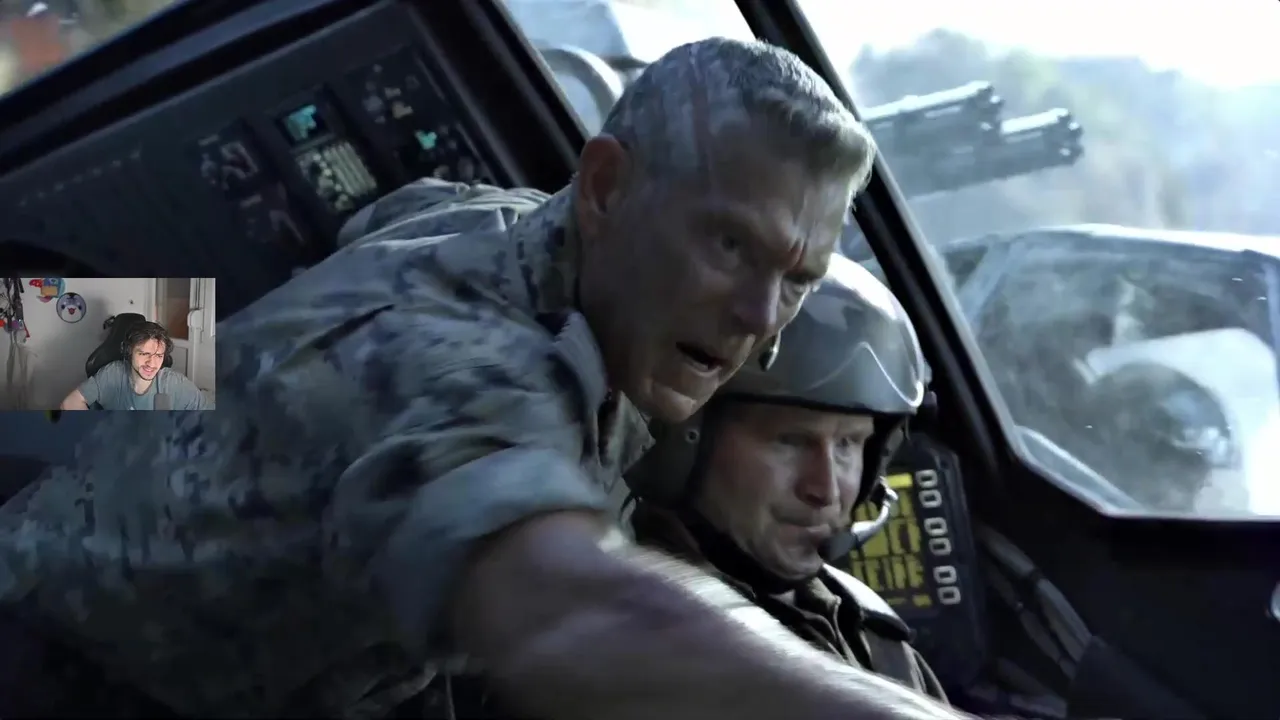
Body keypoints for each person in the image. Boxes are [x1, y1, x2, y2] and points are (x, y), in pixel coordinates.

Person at [0, 38, 963, 720]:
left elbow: (324, 286)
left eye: (796, 277)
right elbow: (573, 618)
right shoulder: (460, 363)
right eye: (728, 244)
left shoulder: (488, 222)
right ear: (605, 188)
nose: (759, 317)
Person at [624, 252, 948, 701]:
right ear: (682, 441)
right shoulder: (642, 647)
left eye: (849, 444)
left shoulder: (863, 627)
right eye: (791, 441)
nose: (825, 489)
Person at [58, 321, 213, 411]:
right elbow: (70, 403)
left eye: (159, 356)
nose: (152, 364)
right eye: (144, 354)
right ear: (129, 351)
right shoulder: (112, 374)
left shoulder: (175, 384)